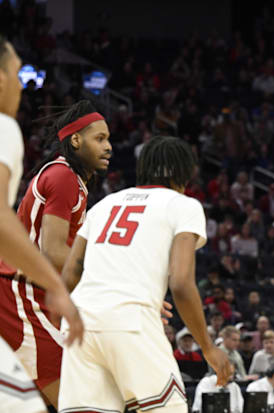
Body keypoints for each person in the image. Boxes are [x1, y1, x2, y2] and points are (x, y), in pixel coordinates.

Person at [58, 136, 233, 412]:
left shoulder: (103, 205)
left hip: (79, 323)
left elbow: (69, 276)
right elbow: (181, 283)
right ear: (186, 172)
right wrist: (209, 348)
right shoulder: (183, 205)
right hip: (130, 321)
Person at [0, 97, 111, 410]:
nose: (108, 147)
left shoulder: (72, 181)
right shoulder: (63, 177)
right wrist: (112, 278)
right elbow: (52, 252)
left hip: (26, 294)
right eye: (99, 138)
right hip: (18, 292)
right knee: (80, 403)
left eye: (109, 139)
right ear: (76, 140)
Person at [0, 34, 83, 413]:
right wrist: (56, 287)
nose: (22, 85)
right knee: (66, 401)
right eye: (19, 74)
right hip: (12, 291)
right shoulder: (4, 128)